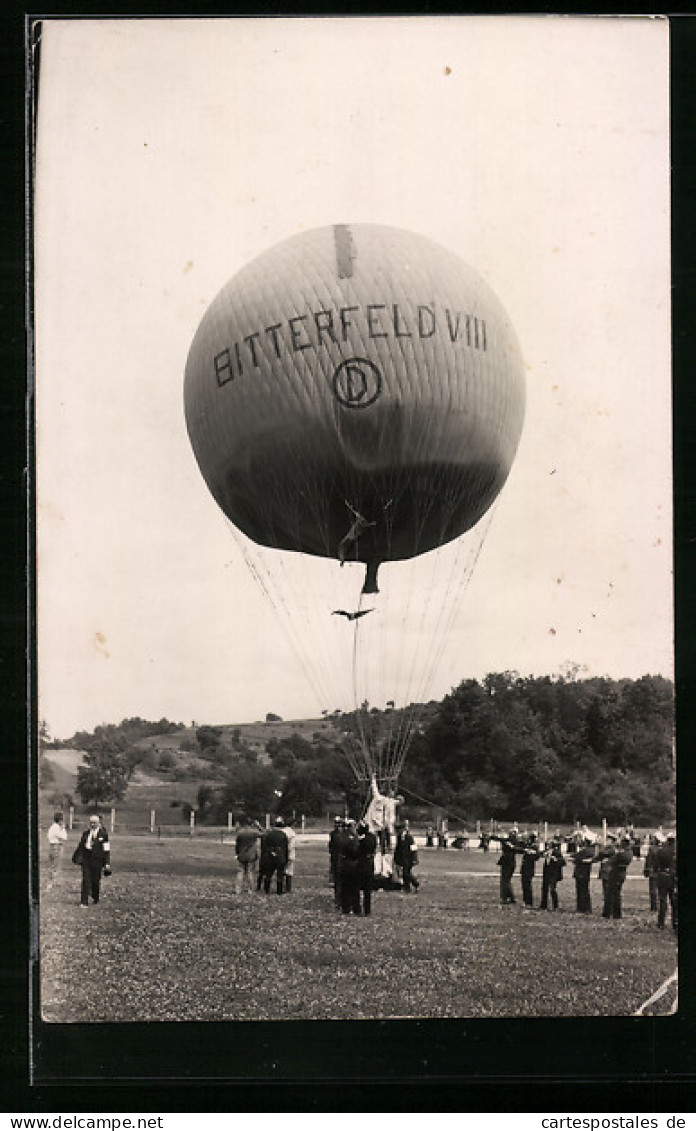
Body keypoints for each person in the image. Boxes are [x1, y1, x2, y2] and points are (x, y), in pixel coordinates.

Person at [72, 813, 111, 907]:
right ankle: (84, 901)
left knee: (95, 881)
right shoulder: (85, 834)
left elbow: (106, 850)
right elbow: (80, 846)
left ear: (98, 823)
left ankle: (95, 896)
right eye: (91, 823)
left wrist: (107, 863)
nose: (92, 824)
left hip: (98, 861)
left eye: (94, 823)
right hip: (86, 859)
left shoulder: (104, 834)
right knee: (86, 880)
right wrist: (77, 858)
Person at [602, 836, 634, 919]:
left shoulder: (622, 853)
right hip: (622, 873)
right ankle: (616, 913)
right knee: (617, 893)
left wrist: (607, 861)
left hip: (616, 873)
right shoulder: (629, 852)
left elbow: (612, 860)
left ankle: (609, 913)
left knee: (611, 893)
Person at [257, 817, 288, 895]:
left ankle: (267, 889)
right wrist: (285, 858)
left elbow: (265, 845)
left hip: (270, 855)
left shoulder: (269, 834)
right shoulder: (283, 834)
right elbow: (285, 847)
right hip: (280, 855)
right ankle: (279, 891)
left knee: (268, 873)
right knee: (280, 874)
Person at [336, 819, 361, 914]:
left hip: (344, 863)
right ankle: (354, 907)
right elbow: (355, 850)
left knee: (345, 887)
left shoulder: (342, 836)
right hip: (351, 864)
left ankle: (345, 906)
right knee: (353, 887)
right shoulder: (352, 838)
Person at [655, 832, 677, 932]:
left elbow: (656, 864)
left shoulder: (661, 851)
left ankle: (661, 922)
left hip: (663, 876)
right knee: (674, 901)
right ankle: (675, 922)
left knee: (663, 900)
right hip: (674, 877)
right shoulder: (675, 851)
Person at [356, 819, 378, 916]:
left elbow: (357, 850)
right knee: (367, 890)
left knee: (357, 888)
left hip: (361, 864)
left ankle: (358, 908)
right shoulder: (373, 837)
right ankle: (367, 909)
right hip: (370, 864)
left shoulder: (361, 839)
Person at [234, 817, 261, 895]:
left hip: (241, 854)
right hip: (251, 854)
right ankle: (250, 890)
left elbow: (237, 845)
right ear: (252, 823)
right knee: (250, 872)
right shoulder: (254, 832)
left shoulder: (240, 832)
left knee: (240, 872)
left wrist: (237, 853)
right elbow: (265, 834)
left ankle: (238, 889)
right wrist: (259, 826)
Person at [539, 837, 565, 910]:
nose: (548, 846)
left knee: (552, 889)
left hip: (554, 873)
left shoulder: (557, 852)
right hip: (546, 872)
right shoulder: (547, 851)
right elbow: (540, 853)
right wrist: (543, 854)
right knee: (544, 888)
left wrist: (555, 859)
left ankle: (555, 906)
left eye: (549, 845)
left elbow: (563, 862)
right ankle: (543, 905)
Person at [394, 821, 420, 894]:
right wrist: (396, 858)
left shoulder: (409, 837)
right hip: (402, 859)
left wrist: (414, 859)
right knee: (405, 873)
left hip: (409, 859)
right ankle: (407, 887)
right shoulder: (399, 837)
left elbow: (413, 848)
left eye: (398, 830)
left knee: (406, 873)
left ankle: (415, 883)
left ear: (402, 829)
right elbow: (398, 848)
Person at [573, 836, 597, 913]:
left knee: (581, 891)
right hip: (585, 873)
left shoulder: (585, 850)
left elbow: (577, 858)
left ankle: (582, 908)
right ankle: (585, 908)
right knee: (585, 890)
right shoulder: (591, 850)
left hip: (581, 872)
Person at [497, 830, 521, 904]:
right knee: (506, 880)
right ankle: (510, 897)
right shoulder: (514, 843)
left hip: (507, 863)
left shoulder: (509, 843)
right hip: (511, 863)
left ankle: (506, 897)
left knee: (505, 881)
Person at [46, 811, 67, 888]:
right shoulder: (57, 828)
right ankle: (51, 882)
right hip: (56, 846)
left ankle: (52, 881)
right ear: (60, 820)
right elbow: (64, 837)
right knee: (56, 865)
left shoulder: (53, 827)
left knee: (53, 865)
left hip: (52, 846)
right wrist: (63, 828)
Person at [519, 833, 541, 907]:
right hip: (526, 867)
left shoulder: (534, 847)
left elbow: (536, 857)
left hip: (529, 868)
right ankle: (526, 900)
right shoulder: (529, 846)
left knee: (527, 885)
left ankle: (528, 901)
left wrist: (530, 853)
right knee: (525, 885)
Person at [329, 816, 344, 908]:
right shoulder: (335, 834)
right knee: (338, 880)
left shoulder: (336, 834)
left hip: (338, 859)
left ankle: (339, 898)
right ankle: (338, 898)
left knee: (339, 880)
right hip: (336, 859)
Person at [643, 834, 660, 912]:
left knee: (653, 890)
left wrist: (646, 871)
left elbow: (648, 861)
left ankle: (654, 907)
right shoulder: (662, 849)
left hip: (653, 871)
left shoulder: (652, 849)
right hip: (661, 871)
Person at [283, 818, 297, 893]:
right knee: (289, 871)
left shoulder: (282, 831)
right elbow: (291, 846)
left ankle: (281, 886)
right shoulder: (292, 833)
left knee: (282, 871)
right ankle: (288, 888)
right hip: (289, 854)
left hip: (281, 854)